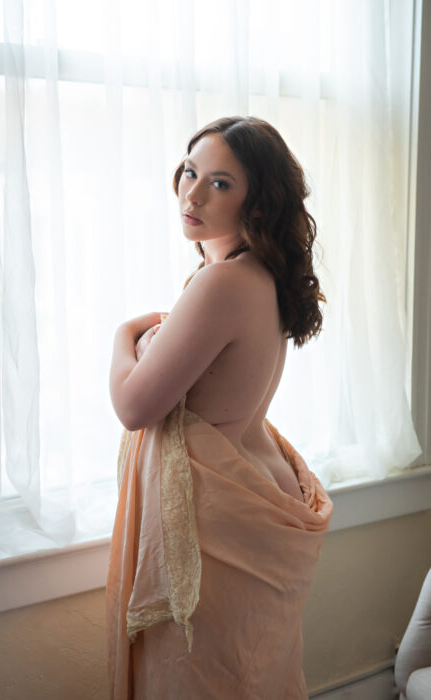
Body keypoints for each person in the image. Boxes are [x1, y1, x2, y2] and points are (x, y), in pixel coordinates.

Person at [106, 116, 333, 699]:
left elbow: (134, 406)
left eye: (221, 183)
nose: (193, 193)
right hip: (255, 486)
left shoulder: (221, 285)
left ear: (259, 199)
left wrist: (122, 336)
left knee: (202, 679)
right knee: (251, 672)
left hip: (217, 521)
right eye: (189, 172)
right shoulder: (264, 275)